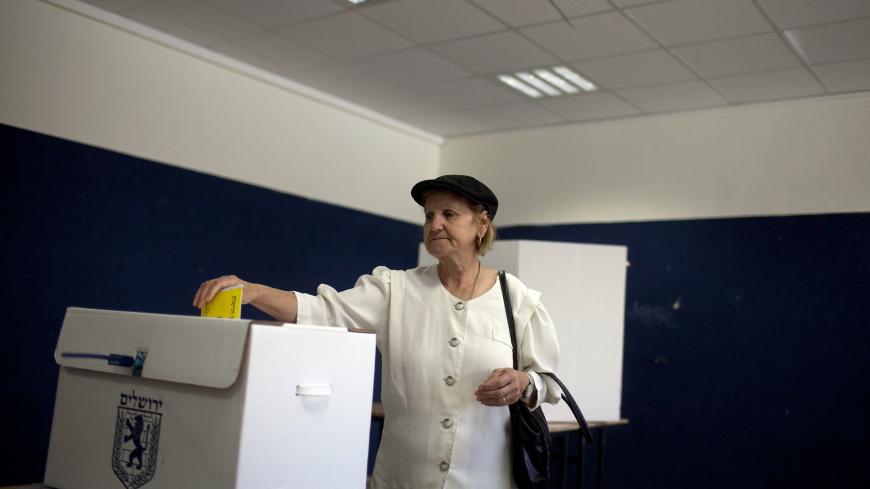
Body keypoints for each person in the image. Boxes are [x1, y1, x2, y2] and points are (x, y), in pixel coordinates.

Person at [193, 175, 561, 489]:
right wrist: (253, 290)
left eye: (448, 214)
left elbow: (550, 383)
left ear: (481, 225)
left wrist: (524, 384)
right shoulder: (393, 290)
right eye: (429, 215)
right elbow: (322, 310)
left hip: (487, 480)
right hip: (401, 478)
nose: (434, 224)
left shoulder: (518, 300)